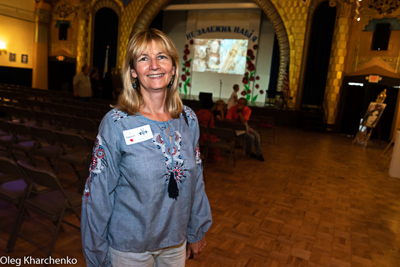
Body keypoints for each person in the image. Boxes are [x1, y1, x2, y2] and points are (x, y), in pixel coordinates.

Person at [81, 29, 212, 267]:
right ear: (133, 72)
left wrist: (197, 229)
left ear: (173, 68)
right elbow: (97, 194)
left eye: (162, 57)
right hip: (129, 247)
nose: (154, 65)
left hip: (175, 243)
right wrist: (96, 253)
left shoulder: (188, 120)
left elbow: (196, 179)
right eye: (143, 58)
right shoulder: (116, 123)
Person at [226, 97, 264, 161]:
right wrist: (237, 121)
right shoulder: (233, 108)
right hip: (235, 129)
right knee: (251, 137)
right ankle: (249, 152)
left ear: (244, 105)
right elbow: (227, 119)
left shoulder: (248, 110)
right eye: (238, 102)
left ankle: (259, 154)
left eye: (240, 103)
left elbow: (244, 121)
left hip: (244, 127)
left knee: (257, 135)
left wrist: (239, 112)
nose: (238, 104)